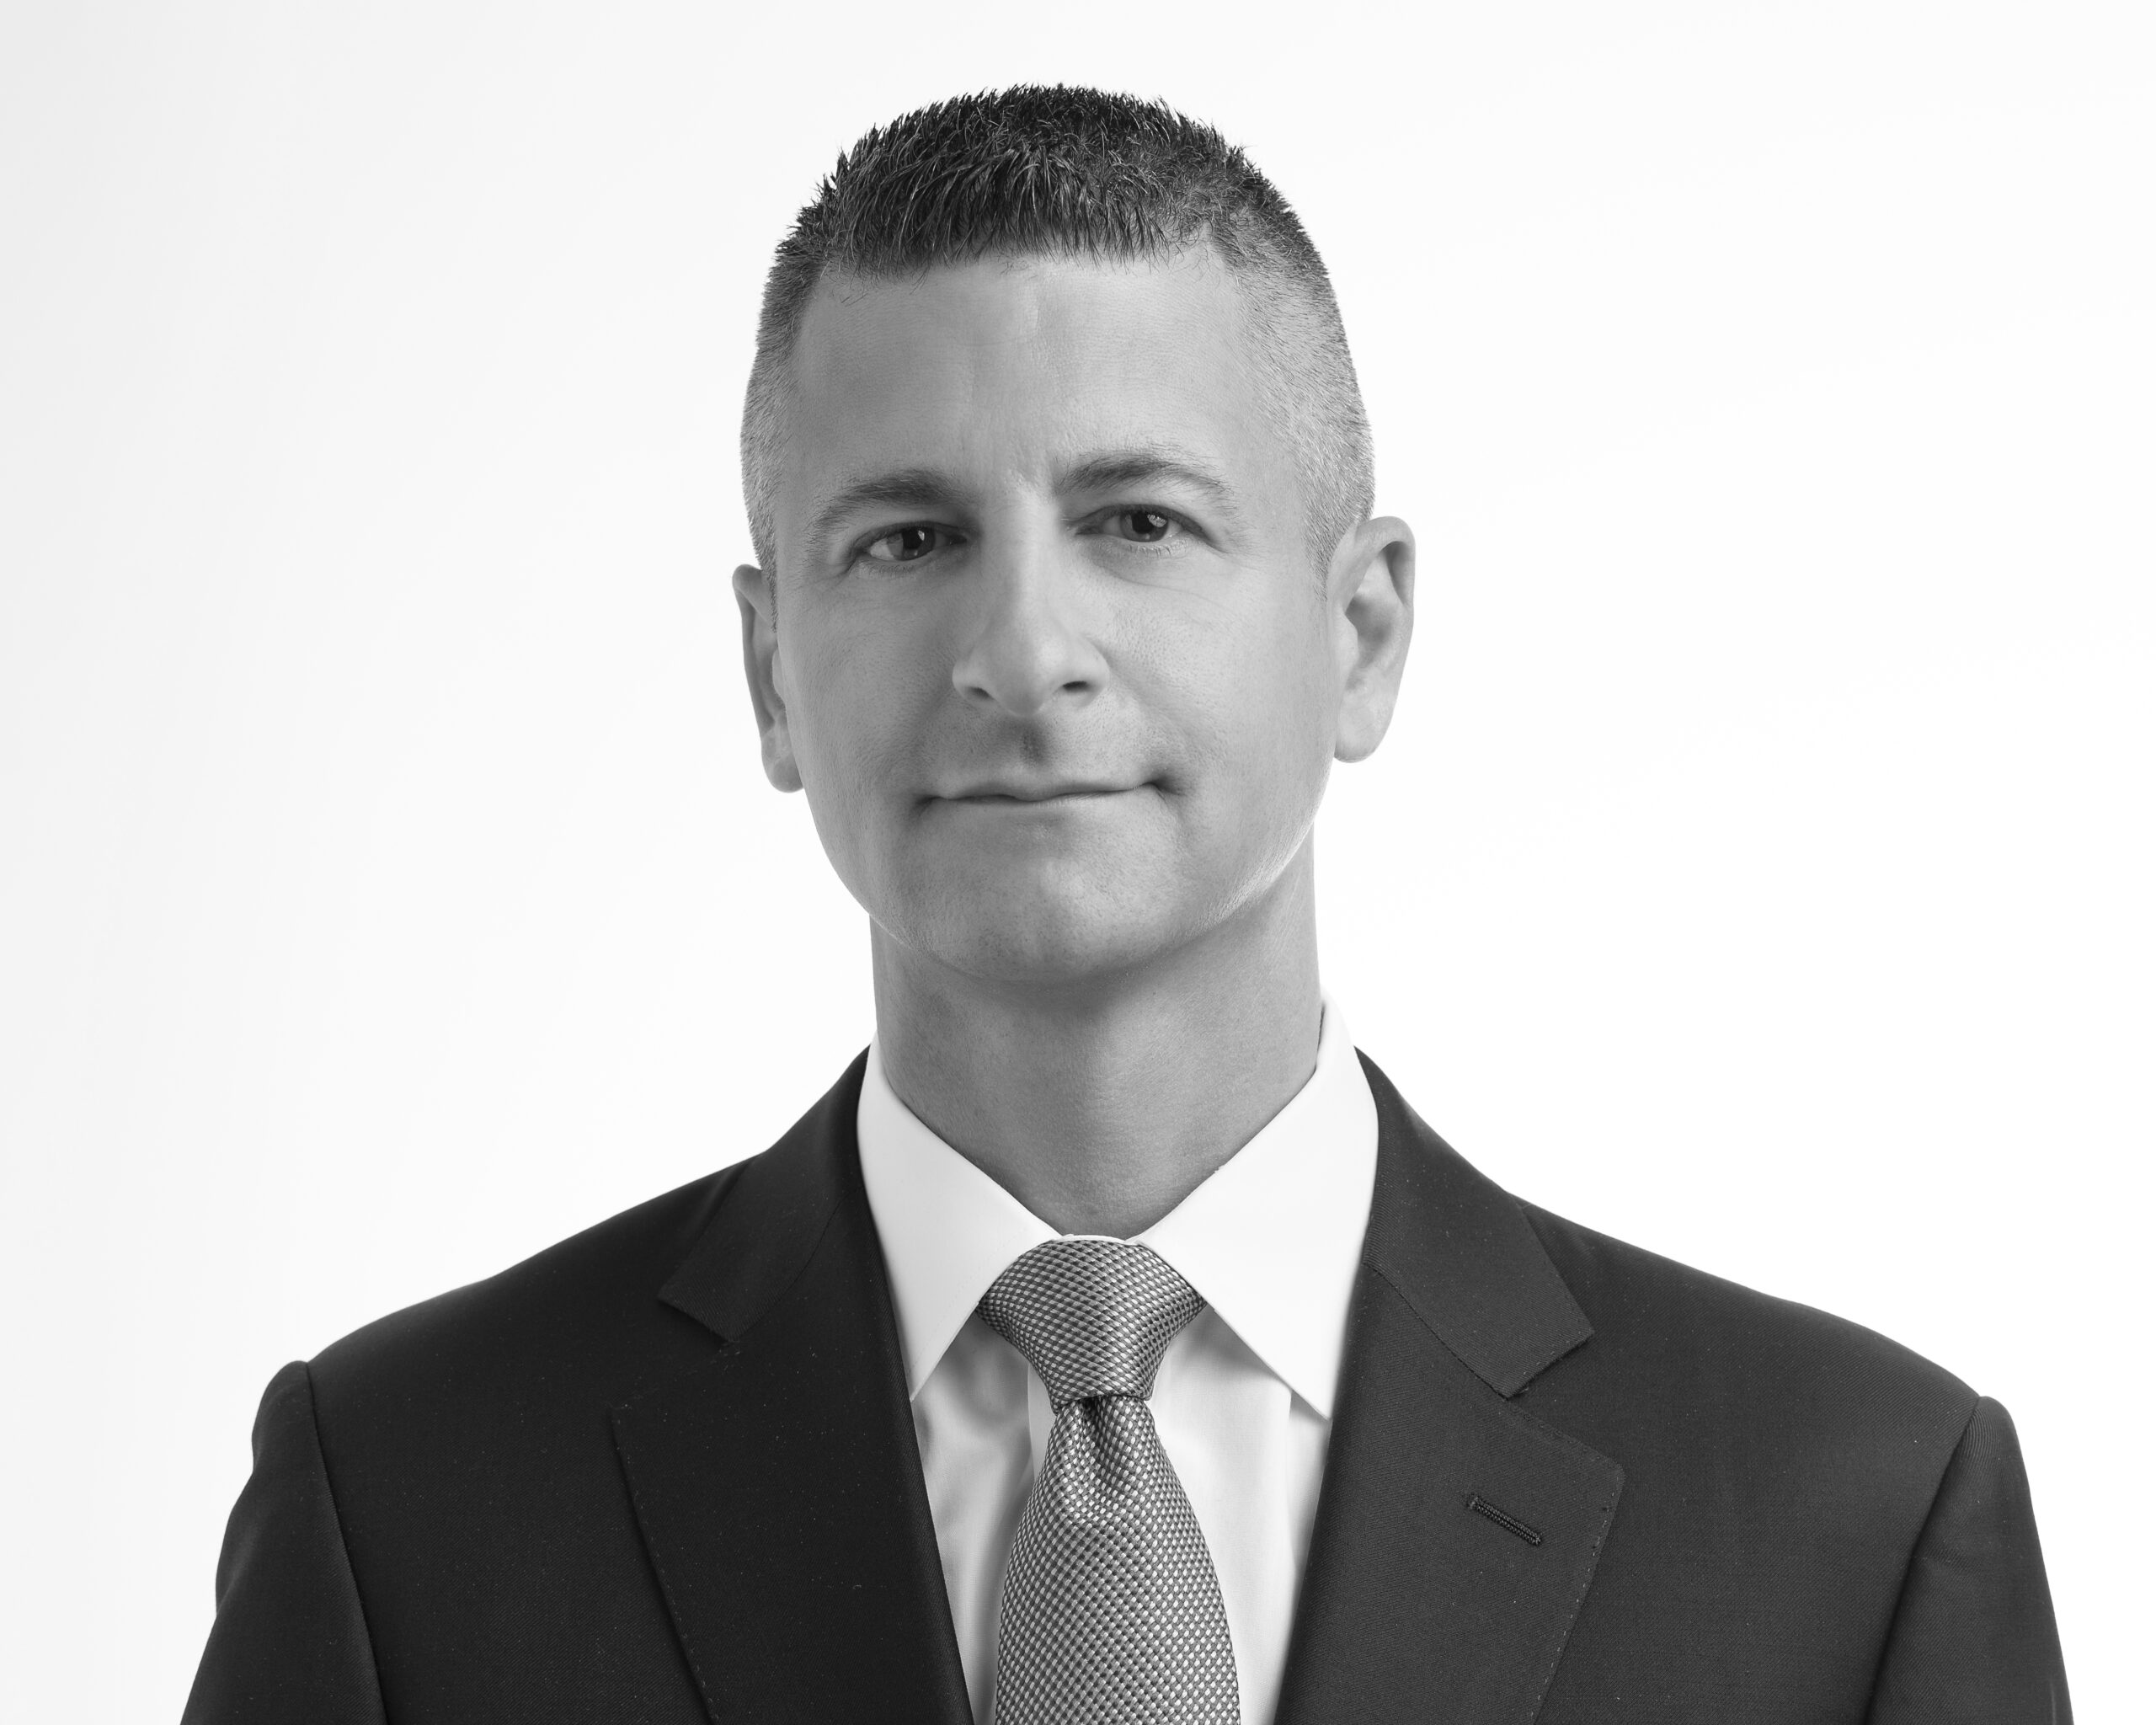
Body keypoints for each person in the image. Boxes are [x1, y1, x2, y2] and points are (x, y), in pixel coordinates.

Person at [182, 86, 2069, 1725]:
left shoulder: (1852, 1517)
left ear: (1359, 631)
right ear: (770, 674)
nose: (1020, 649)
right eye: (907, 539)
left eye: (1137, 521)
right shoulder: (405, 1505)